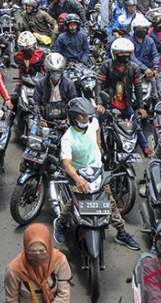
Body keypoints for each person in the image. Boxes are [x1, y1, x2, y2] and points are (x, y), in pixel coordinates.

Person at [52, 98, 141, 250]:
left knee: (109, 201)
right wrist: (78, 179)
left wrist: (99, 147)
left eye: (87, 115)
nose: (87, 119)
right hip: (78, 174)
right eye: (83, 116)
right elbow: (66, 163)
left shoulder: (93, 123)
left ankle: (121, 232)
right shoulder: (68, 137)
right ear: (74, 118)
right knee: (74, 201)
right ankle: (61, 223)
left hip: (97, 171)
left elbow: (98, 131)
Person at [5, 223, 71, 303]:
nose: (37, 255)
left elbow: (63, 294)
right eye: (32, 251)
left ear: (48, 247)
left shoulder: (59, 261)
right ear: (26, 249)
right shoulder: (14, 270)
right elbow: (11, 299)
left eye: (42, 251)